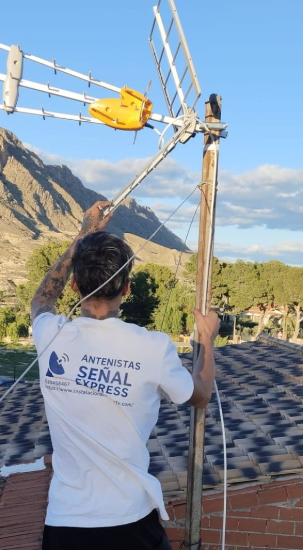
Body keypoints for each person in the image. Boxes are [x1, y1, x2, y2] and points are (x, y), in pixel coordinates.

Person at [31, 200, 219, 550]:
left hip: (65, 525)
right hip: (130, 523)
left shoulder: (50, 335)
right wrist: (206, 339)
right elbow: (201, 395)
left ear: (74, 286)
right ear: (127, 288)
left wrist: (85, 234)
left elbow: (41, 298)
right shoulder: (153, 347)